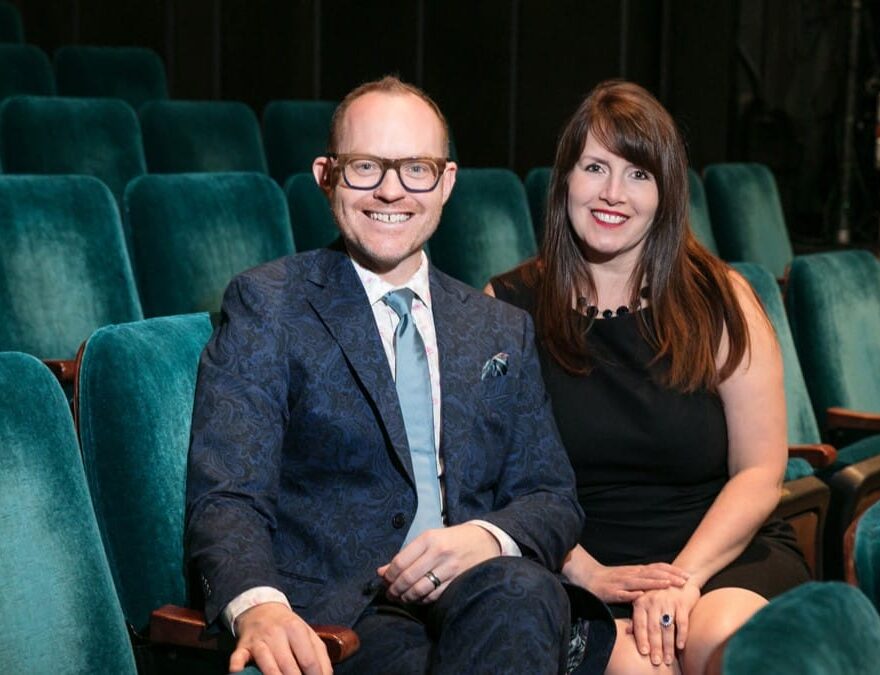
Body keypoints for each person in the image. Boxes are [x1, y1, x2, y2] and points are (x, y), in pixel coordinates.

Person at [185, 76, 629, 675]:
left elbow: (551, 498)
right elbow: (228, 494)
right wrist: (258, 607)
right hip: (338, 617)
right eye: (366, 166)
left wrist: (484, 538)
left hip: (482, 597)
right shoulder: (269, 303)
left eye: (416, 169)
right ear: (326, 176)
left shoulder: (497, 327)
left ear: (445, 182)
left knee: (523, 591)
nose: (391, 191)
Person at [487, 80, 810, 675]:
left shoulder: (722, 299)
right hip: (578, 567)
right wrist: (587, 572)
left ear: (667, 192)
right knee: (639, 664)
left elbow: (761, 470)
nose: (614, 194)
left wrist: (681, 582)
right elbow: (494, 479)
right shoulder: (506, 307)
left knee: (722, 640)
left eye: (639, 174)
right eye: (595, 168)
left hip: (718, 554)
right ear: (565, 180)